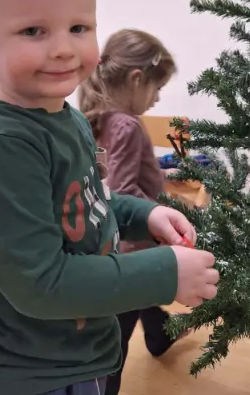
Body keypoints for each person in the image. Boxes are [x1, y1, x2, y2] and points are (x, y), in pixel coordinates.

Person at [0, 0, 219, 395]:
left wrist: (144, 214)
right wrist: (164, 274)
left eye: (78, 28)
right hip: (26, 375)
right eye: (33, 31)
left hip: (81, 353)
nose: (63, 48)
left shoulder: (65, 118)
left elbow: (89, 202)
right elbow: (41, 283)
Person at [80, 30, 186, 395]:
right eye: (157, 88)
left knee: (137, 303)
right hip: (131, 250)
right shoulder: (126, 123)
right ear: (136, 78)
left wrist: (160, 176)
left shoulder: (97, 117)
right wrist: (167, 209)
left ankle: (159, 334)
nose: (157, 99)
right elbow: (122, 191)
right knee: (117, 338)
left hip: (109, 244)